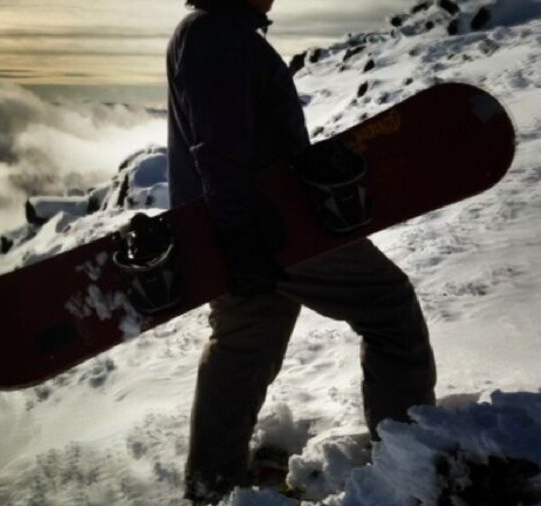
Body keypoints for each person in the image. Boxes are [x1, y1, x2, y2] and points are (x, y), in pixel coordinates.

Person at [166, 0, 437, 503]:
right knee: (388, 306)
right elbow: (218, 145)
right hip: (271, 225)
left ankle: (213, 486)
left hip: (234, 228)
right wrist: (240, 236)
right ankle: (412, 469)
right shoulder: (215, 33)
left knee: (245, 344)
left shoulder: (213, 31)